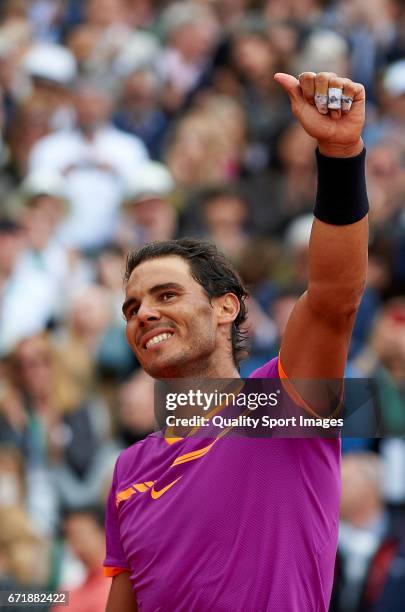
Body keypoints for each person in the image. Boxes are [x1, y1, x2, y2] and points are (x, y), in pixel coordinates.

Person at [103, 71, 369, 611]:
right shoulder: (129, 470)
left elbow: (335, 295)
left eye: (167, 295)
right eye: (132, 308)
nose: (144, 314)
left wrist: (340, 155)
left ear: (226, 306)